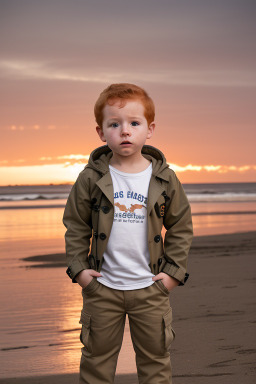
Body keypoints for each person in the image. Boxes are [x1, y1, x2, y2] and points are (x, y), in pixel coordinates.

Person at [62, 83, 193, 384]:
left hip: (151, 288)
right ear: (101, 132)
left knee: (155, 363)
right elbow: (76, 225)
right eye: (114, 124)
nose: (125, 131)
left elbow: (181, 225)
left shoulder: (165, 178)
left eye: (134, 123)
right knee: (96, 363)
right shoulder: (90, 178)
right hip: (102, 289)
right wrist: (80, 271)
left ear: (150, 129)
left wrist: (173, 274)